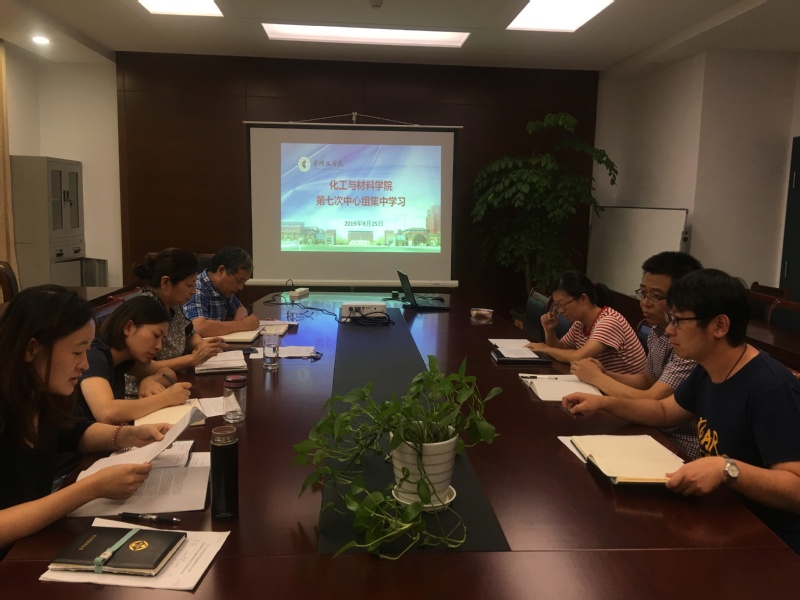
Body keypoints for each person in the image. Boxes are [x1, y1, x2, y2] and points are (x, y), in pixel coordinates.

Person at [562, 269, 800, 554]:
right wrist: (604, 403)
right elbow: (664, 411)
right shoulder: (707, 368)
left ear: (720, 325)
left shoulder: (770, 389)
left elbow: (796, 488)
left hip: (768, 542)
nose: (669, 330)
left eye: (677, 320)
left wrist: (726, 468)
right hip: (718, 513)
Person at [0, 285, 169, 555]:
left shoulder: (43, 392)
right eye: (77, 352)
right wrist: (91, 488)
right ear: (31, 349)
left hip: (35, 541)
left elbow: (75, 432)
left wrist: (128, 435)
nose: (85, 365)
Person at [570, 251, 703, 459]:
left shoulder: (691, 345)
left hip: (679, 444)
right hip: (651, 427)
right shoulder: (657, 331)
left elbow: (653, 400)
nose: (645, 303)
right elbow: (647, 380)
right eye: (643, 293)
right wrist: (605, 373)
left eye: (655, 296)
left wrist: (597, 378)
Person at [78, 295, 192, 424]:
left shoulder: (125, 359)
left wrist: (150, 380)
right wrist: (165, 399)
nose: (159, 346)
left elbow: (167, 373)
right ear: (128, 328)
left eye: (162, 339)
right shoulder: (94, 356)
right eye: (156, 335)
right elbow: (106, 412)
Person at [525, 271, 646, 374]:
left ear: (583, 299)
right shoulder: (580, 323)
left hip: (624, 388)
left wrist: (545, 349)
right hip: (601, 382)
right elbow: (560, 348)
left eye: (562, 305)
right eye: (557, 305)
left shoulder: (609, 321)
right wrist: (549, 330)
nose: (560, 311)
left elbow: (579, 356)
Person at [133, 248, 226, 372]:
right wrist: (193, 359)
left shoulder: (172, 303)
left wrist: (201, 345)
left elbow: (189, 333)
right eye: (189, 285)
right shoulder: (146, 308)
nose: (194, 291)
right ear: (166, 283)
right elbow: (143, 368)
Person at [182, 246, 260, 337]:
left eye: (244, 282)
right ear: (221, 270)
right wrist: (242, 325)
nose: (241, 287)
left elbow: (240, 309)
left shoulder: (224, 289)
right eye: (239, 281)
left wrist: (238, 320)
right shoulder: (197, 288)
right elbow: (198, 327)